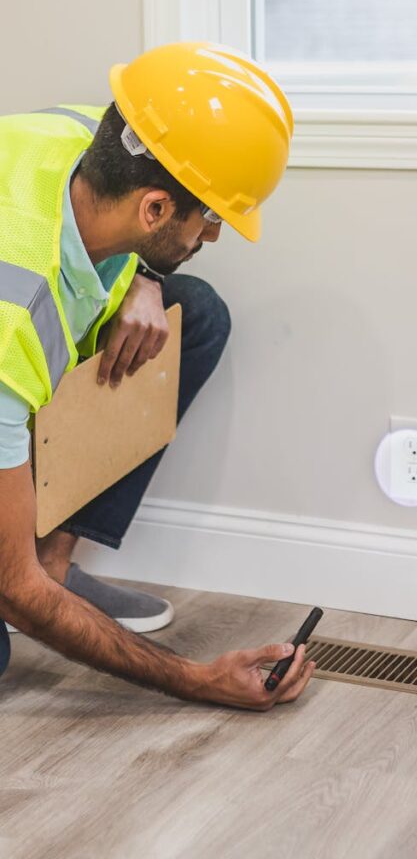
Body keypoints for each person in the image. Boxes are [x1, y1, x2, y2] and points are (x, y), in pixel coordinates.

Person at [0, 42, 314, 709]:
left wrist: (145, 277)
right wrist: (198, 679)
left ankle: (53, 562)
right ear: (153, 210)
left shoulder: (90, 137)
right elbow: (15, 598)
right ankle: (34, 571)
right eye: (211, 220)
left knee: (190, 312)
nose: (214, 238)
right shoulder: (9, 317)